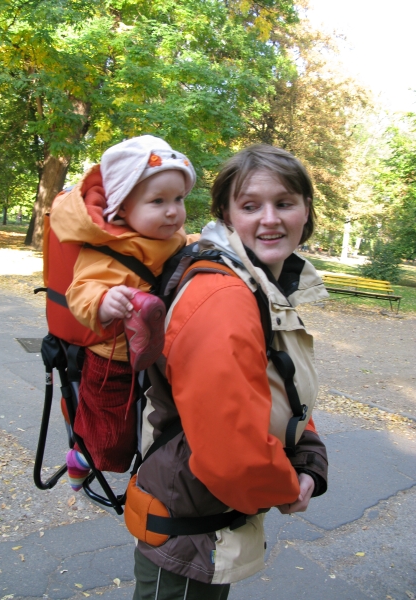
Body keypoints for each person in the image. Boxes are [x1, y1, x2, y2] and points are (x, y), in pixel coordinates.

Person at [131, 144, 329, 599]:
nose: (270, 219)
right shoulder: (224, 296)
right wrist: (287, 486)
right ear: (226, 214)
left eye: (284, 203)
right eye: (250, 206)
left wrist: (308, 458)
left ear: (305, 210)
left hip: (207, 521)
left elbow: (281, 391)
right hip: (186, 529)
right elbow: (231, 452)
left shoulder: (259, 283)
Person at [49, 135, 196, 490]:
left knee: (156, 421)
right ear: (123, 208)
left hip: (159, 352)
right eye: (158, 201)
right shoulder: (106, 247)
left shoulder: (172, 237)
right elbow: (80, 291)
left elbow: (188, 249)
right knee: (110, 437)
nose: (172, 211)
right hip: (112, 357)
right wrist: (104, 301)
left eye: (178, 199)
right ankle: (82, 455)